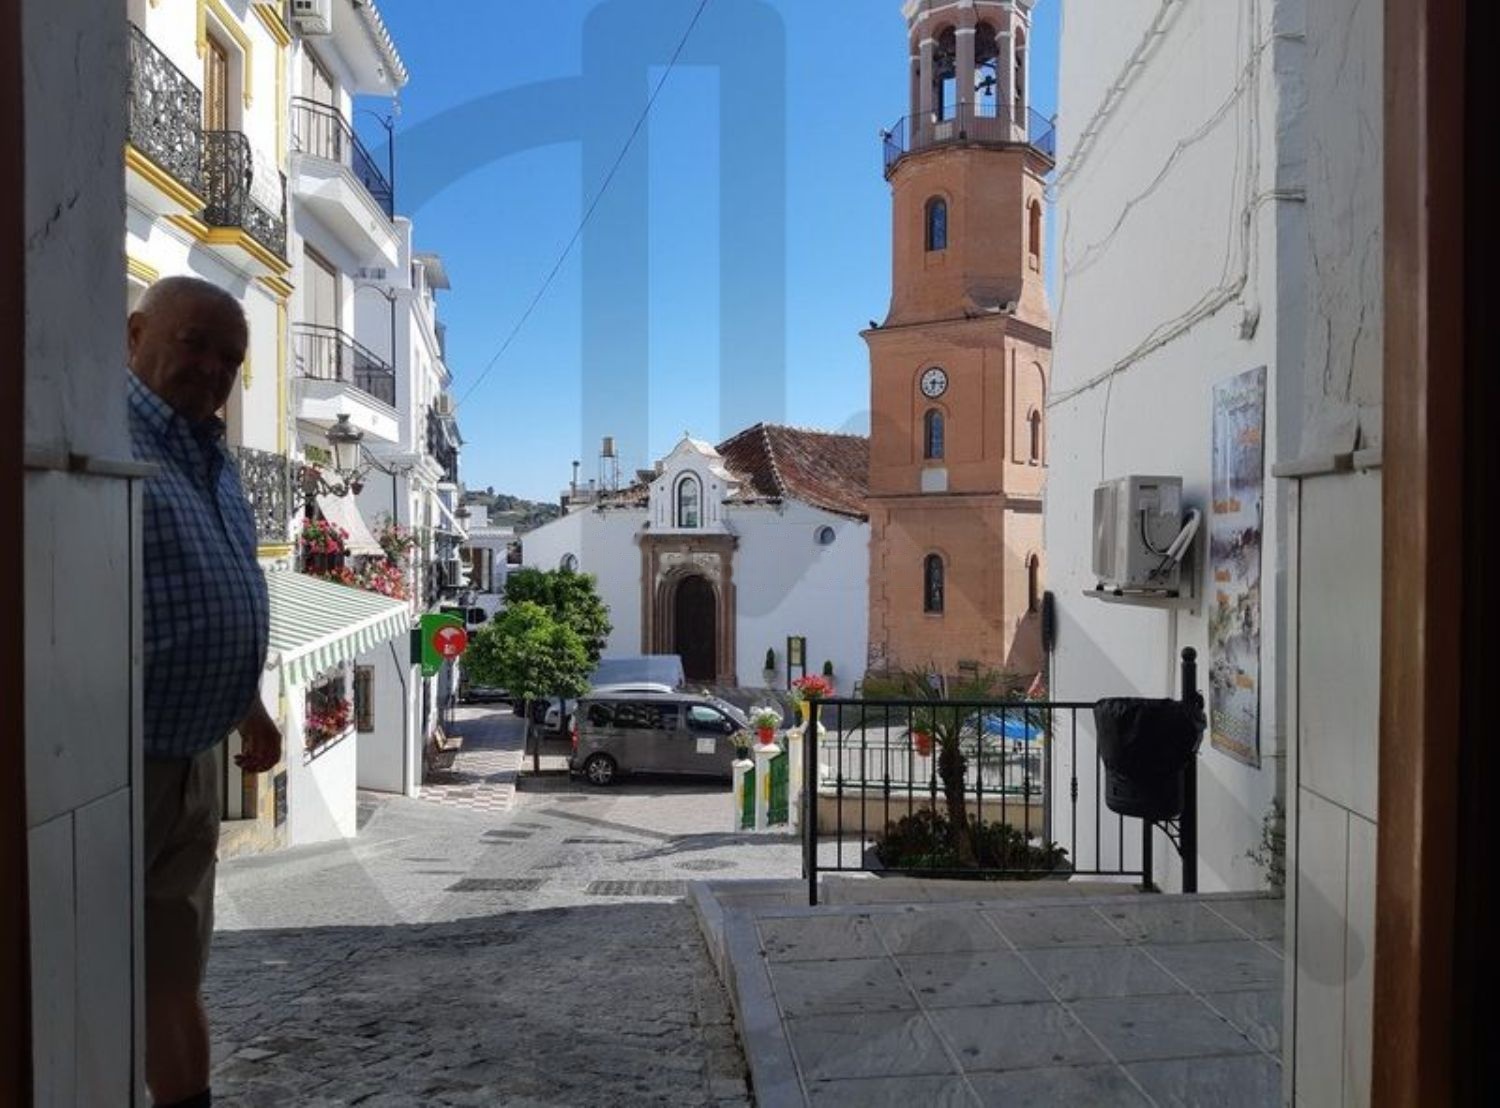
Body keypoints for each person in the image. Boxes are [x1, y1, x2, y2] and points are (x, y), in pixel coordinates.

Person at [128, 276, 282, 1108]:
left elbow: (216, 588)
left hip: (193, 760)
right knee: (88, 961)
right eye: (194, 344)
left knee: (175, 966)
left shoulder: (213, 457)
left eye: (230, 358)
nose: (213, 369)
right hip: (116, 762)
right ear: (135, 335)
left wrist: (248, 704)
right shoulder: (100, 435)